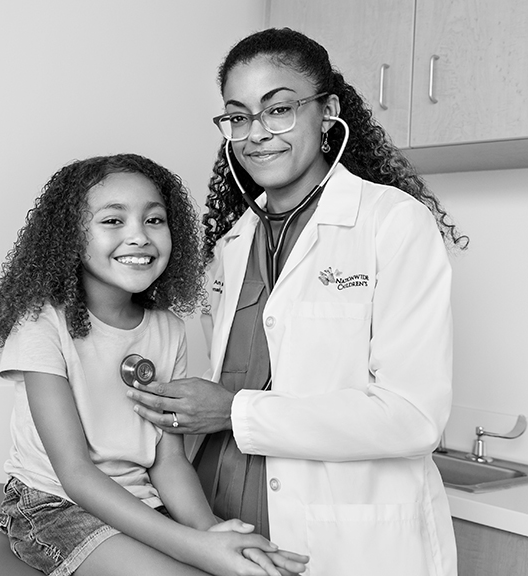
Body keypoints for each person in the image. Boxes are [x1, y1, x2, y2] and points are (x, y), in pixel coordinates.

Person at [127, 29, 468, 575]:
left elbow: (414, 415)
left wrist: (232, 410)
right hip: (223, 524)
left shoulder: (392, 223)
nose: (256, 134)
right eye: (238, 117)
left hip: (341, 539)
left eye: (279, 109)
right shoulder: (231, 246)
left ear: (328, 111)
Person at [0, 154, 309, 576]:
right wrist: (195, 548)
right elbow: (75, 472)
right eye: (113, 221)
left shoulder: (167, 329)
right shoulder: (40, 324)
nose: (139, 236)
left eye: (154, 220)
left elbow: (167, 460)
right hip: (54, 505)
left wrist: (212, 531)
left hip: (141, 501)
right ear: (69, 237)